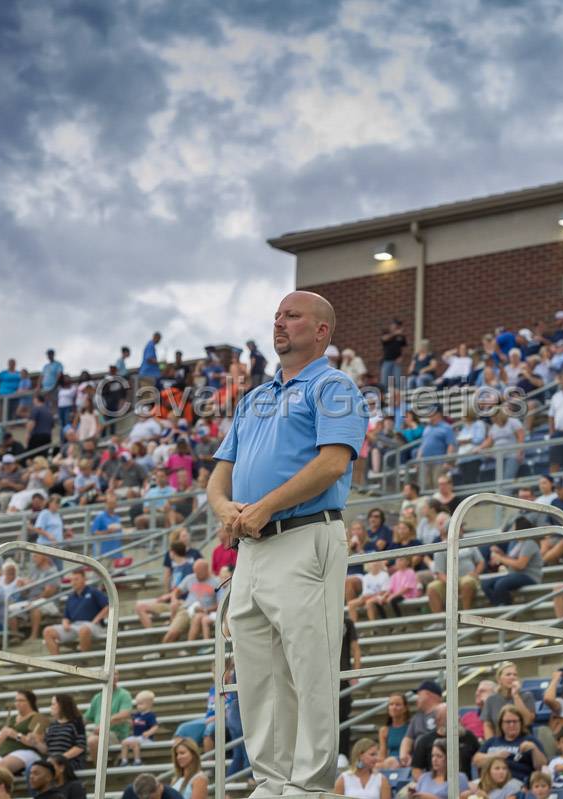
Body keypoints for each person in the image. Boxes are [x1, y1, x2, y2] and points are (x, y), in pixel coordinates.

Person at [207, 291, 366, 794]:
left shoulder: (335, 385)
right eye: (276, 316)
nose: (279, 323)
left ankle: (311, 782)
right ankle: (273, 781)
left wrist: (266, 505)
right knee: (258, 673)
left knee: (309, 663)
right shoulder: (254, 397)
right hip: (252, 548)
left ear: (321, 331)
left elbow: (332, 463)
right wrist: (225, 508)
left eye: (292, 316)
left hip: (304, 535)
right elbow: (217, 479)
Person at [0, 690, 47, 783]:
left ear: (30, 702)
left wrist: (16, 735)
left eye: (21, 700)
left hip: (27, 751)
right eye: (16, 700)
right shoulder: (12, 718)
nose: (17, 703)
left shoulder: (38, 717)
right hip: (6, 753)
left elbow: (36, 742)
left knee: (0, 767)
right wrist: (1, 736)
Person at [472, 705, 544, 787]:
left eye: (515, 721)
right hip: (489, 783)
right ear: (501, 724)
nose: (512, 725)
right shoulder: (492, 741)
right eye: (508, 722)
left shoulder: (530, 740)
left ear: (521, 723)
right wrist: (496, 756)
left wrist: (534, 749)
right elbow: (476, 761)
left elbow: (541, 766)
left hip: (517, 783)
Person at [42, 570, 108, 655]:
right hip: (74, 626)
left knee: (84, 629)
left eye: (76, 579)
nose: (73, 582)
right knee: (47, 631)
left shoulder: (93, 591)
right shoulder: (70, 597)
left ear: (84, 579)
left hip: (93, 626)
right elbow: (66, 616)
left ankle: (83, 659)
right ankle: (56, 662)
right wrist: (65, 623)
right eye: (72, 580)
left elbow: (107, 606)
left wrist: (96, 620)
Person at [480, 663, 536, 740]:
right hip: (499, 742)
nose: (512, 677)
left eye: (515, 675)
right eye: (508, 675)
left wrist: (516, 695)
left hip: (523, 741)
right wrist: (491, 744)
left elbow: (527, 721)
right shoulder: (491, 700)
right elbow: (488, 725)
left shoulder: (527, 696)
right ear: (499, 679)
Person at [377, 694, 410, 769]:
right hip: (390, 765)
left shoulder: (411, 727)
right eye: (391, 704)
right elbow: (382, 755)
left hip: (406, 764)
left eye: (398, 705)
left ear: (405, 708)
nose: (394, 707)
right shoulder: (384, 730)